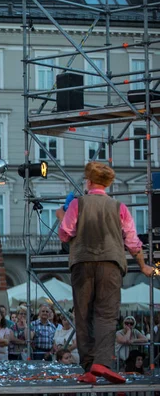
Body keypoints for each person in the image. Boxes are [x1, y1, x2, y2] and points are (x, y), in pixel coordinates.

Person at [56, 162, 154, 384]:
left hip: (82, 262)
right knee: (106, 315)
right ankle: (102, 362)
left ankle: (89, 366)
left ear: (89, 182)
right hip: (111, 263)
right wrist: (143, 266)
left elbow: (65, 234)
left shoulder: (78, 204)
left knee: (83, 315)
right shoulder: (119, 207)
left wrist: (61, 216)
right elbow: (132, 241)